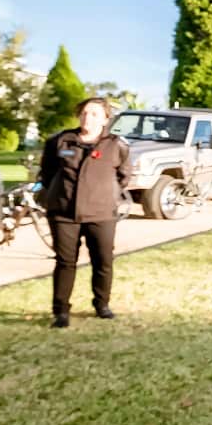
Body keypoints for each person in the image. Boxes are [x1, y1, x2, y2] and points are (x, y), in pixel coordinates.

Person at [40, 97, 130, 327]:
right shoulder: (60, 141)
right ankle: (61, 311)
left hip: (101, 213)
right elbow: (47, 173)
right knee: (65, 262)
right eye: (84, 113)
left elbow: (123, 176)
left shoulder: (116, 145)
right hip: (64, 213)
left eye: (94, 114)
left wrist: (107, 195)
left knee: (103, 261)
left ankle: (102, 305)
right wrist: (57, 195)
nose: (87, 118)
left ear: (105, 120)